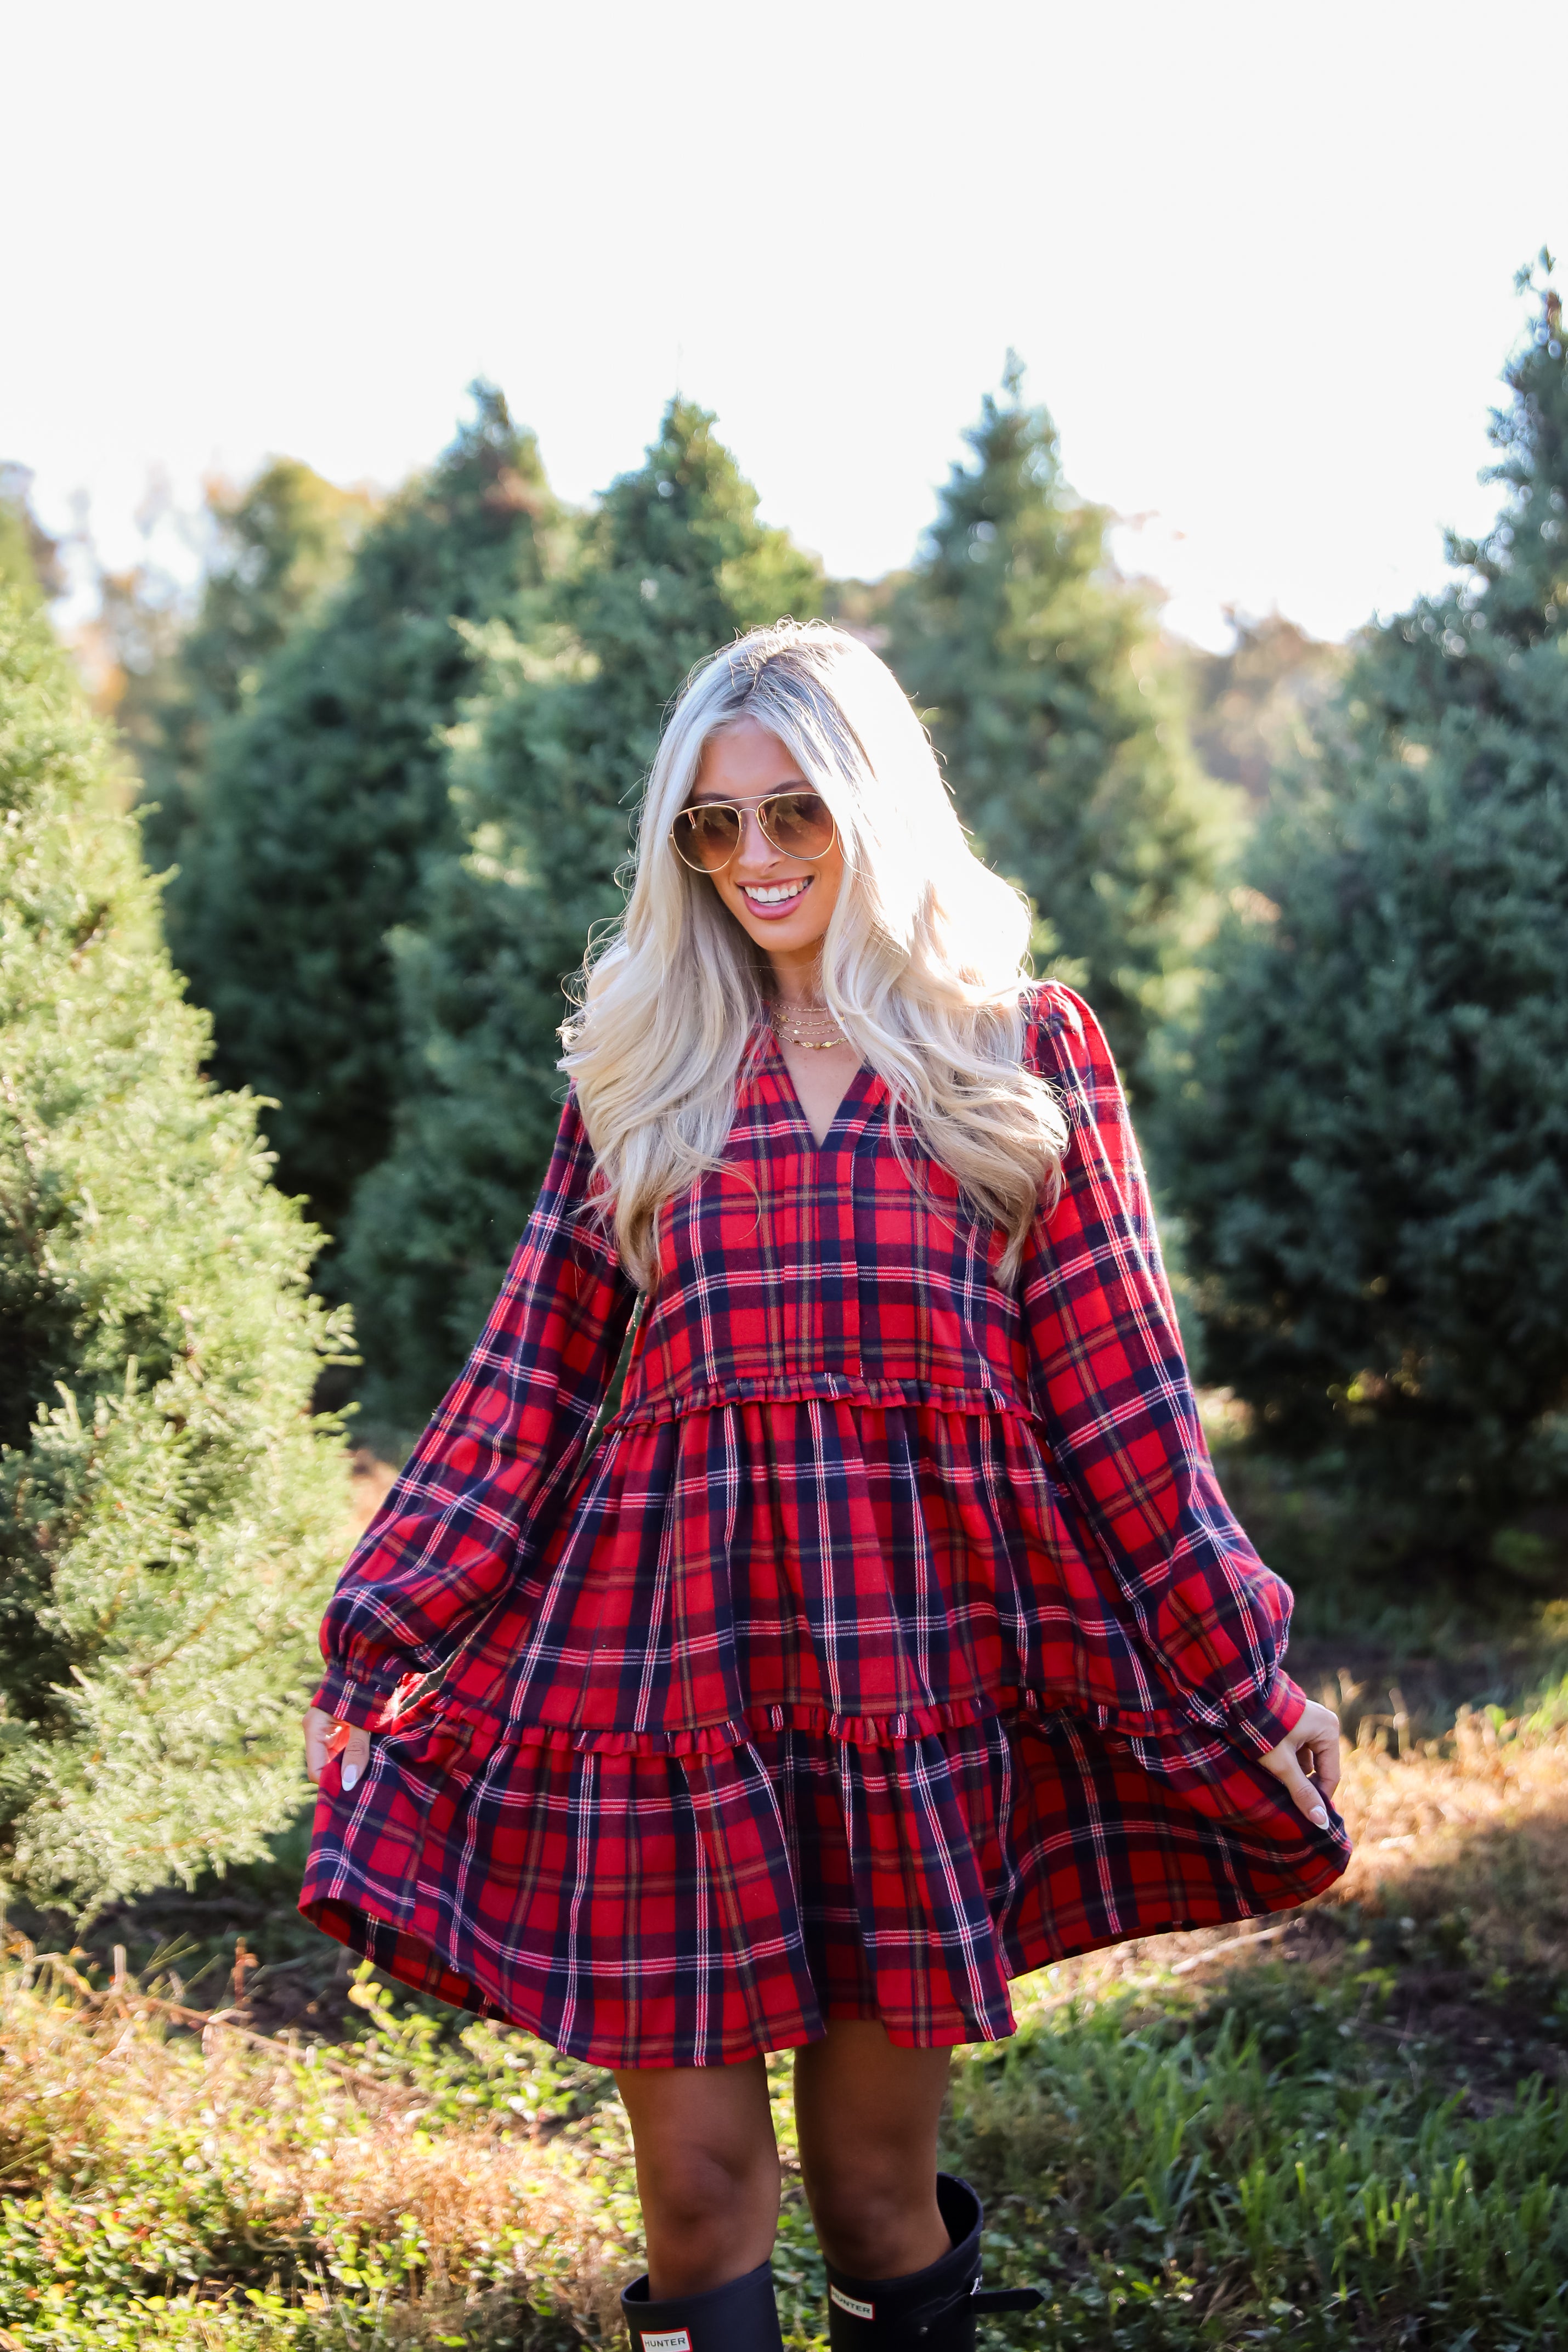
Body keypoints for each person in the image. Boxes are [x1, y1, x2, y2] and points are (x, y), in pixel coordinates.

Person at [301, 620, 1348, 2350]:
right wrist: (375, 1620)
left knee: (871, 2198)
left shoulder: (1016, 1055)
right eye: (711, 829)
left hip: (906, 1681)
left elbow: (1123, 1401)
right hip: (671, 1688)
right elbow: (523, 1381)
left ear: (875, 804)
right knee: (701, 2195)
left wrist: (1243, 1664)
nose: (757, 860)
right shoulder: (643, 1069)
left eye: (795, 811)